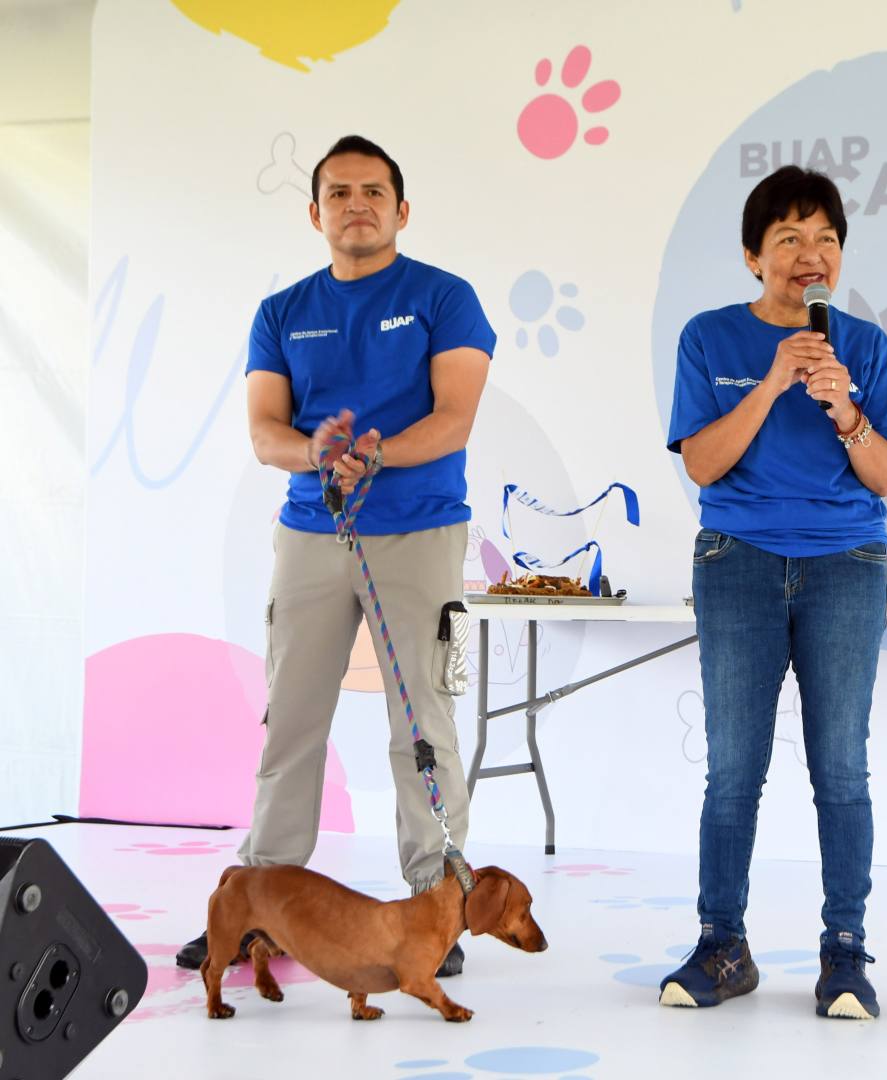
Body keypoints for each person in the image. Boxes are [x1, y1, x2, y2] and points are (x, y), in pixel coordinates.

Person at [175, 135, 495, 978]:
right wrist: (318, 453)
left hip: (419, 531)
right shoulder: (282, 311)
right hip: (312, 536)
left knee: (422, 723)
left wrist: (373, 456)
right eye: (340, 193)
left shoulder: (444, 297)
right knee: (291, 722)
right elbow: (265, 433)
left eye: (374, 191)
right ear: (314, 213)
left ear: (402, 209)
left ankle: (437, 909)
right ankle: (256, 909)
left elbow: (454, 419)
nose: (357, 204)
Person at [659, 165, 887, 1020]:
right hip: (738, 560)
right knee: (734, 765)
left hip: (845, 563)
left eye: (826, 240)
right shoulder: (709, 338)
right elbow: (702, 464)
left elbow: (885, 477)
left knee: (840, 765)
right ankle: (722, 946)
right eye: (790, 240)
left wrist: (846, 412)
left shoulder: (865, 347)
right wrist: (772, 383)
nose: (811, 255)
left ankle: (845, 952)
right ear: (752, 256)